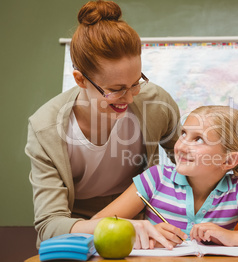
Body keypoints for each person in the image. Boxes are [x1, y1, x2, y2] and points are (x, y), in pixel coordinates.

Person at [25, 0, 182, 249]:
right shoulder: (46, 129)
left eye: (135, 83)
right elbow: (50, 225)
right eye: (116, 89)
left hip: (145, 230)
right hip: (79, 235)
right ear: (80, 79)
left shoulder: (156, 104)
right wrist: (116, 224)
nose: (130, 98)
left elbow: (190, 165)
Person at [93, 105, 238, 247]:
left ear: (229, 161)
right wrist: (140, 232)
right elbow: (95, 225)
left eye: (198, 139)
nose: (181, 145)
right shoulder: (155, 179)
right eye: (183, 134)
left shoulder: (237, 192)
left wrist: (233, 238)